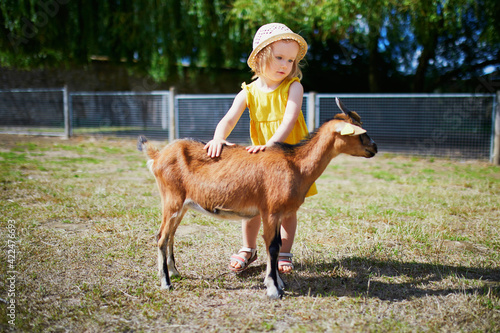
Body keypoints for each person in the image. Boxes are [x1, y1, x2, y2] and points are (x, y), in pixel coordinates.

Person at [203, 23, 317, 274]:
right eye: (279, 57)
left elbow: (289, 119)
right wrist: (219, 137)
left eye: (290, 59)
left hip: (287, 156)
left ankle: (284, 252)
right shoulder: (249, 91)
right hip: (262, 158)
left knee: (286, 209)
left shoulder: (293, 86)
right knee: (252, 207)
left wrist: (273, 143)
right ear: (260, 57)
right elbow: (230, 118)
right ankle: (248, 248)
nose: (285, 65)